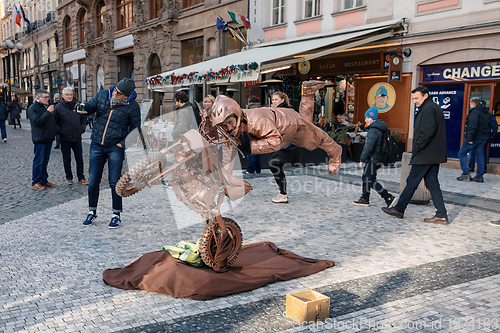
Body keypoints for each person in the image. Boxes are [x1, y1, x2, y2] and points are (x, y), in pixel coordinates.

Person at [210, 90, 342, 203]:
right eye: (224, 126)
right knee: (277, 160)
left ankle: (336, 153)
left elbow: (275, 142)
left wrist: (250, 147)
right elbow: (228, 152)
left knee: (317, 137)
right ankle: (307, 92)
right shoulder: (232, 125)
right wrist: (226, 180)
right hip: (278, 129)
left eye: (230, 123)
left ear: (236, 114)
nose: (229, 127)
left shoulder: (257, 120)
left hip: (291, 124)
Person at [79, 78, 141, 228]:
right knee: (93, 180)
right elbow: (89, 107)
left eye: (119, 93)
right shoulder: (103, 95)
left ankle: (116, 214)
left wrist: (123, 144)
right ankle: (92, 211)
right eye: (115, 90)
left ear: (126, 96)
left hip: (115, 147)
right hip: (97, 145)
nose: (115, 93)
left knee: (115, 182)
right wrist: (81, 107)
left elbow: (136, 129)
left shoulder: (132, 107)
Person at [382, 86, 448, 225]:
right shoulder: (432, 107)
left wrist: (416, 148)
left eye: (416, 98)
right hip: (432, 154)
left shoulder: (429, 109)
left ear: (425, 95)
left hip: (425, 154)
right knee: (432, 184)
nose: (414, 101)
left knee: (412, 181)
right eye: (413, 99)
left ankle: (399, 209)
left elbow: (426, 133)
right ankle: (441, 215)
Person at [353, 108, 395, 208]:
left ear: (372, 118)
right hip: (376, 158)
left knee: (369, 179)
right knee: (366, 178)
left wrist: (362, 159)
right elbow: (382, 145)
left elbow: (369, 146)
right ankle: (364, 198)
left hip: (372, 159)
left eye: (368, 118)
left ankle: (388, 197)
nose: (366, 120)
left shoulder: (374, 130)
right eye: (365, 118)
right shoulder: (381, 128)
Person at [53, 87, 89, 186]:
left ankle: (81, 177)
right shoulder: (58, 108)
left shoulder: (78, 106)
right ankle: (69, 178)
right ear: (62, 96)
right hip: (64, 138)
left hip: (77, 137)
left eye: (70, 94)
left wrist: (82, 129)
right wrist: (60, 131)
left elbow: (83, 118)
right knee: (66, 159)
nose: (69, 96)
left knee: (79, 158)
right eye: (67, 95)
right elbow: (54, 122)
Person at [28, 89, 58, 190]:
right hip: (40, 138)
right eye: (45, 97)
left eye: (48, 97)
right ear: (38, 98)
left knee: (45, 161)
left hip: (48, 138)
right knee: (38, 161)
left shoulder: (46, 107)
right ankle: (36, 182)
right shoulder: (33, 108)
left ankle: (43, 180)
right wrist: (48, 112)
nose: (47, 99)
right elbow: (37, 122)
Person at [268, 91, 296, 203]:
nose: (274, 102)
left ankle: (283, 194)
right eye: (273, 100)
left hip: (283, 143)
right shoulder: (279, 110)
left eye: (276, 99)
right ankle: (282, 191)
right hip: (279, 143)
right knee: (276, 165)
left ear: (282, 100)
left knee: (274, 164)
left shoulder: (284, 111)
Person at [456, 97, 490, 183]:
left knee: (461, 153)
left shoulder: (475, 112)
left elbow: (473, 125)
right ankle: (479, 176)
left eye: (471, 104)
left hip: (474, 138)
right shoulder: (486, 112)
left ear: (473, 104)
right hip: (482, 138)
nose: (470, 106)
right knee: (480, 157)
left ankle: (465, 172)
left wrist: (470, 137)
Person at [468, 105, 498, 175]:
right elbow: (495, 126)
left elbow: (494, 126)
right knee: (479, 152)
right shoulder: (486, 114)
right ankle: (477, 168)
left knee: (478, 152)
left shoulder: (487, 115)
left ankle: (474, 168)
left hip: (481, 135)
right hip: (480, 135)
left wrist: (493, 134)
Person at [243, 95, 262, 175]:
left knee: (251, 152)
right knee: (259, 151)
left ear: (249, 102)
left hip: (251, 132)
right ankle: (258, 168)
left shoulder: (249, 111)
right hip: (260, 132)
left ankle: (250, 169)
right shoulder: (261, 110)